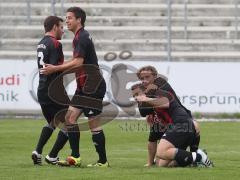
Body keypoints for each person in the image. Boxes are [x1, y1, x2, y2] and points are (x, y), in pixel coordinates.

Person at [40, 7, 109, 167]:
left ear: (79, 20)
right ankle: (75, 157)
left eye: (70, 18)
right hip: (83, 86)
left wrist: (55, 69)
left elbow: (78, 63)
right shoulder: (79, 37)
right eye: (66, 18)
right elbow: (77, 64)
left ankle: (103, 162)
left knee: (93, 124)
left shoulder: (81, 38)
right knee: (69, 119)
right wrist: (60, 69)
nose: (67, 21)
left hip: (92, 85)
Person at [133, 66, 213, 167]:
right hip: (175, 123)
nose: (144, 81)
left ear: (155, 76)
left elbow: (166, 103)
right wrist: (147, 107)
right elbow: (144, 111)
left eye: (147, 77)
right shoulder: (149, 91)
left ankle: (198, 157)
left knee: (161, 152)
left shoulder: (160, 87)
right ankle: (192, 160)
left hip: (180, 122)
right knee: (161, 164)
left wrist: (146, 99)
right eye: (142, 79)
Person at [32, 16, 69, 165]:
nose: (63, 30)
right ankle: (52, 156)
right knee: (70, 122)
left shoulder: (41, 43)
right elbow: (53, 67)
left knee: (54, 122)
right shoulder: (55, 43)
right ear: (54, 27)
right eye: (61, 27)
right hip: (54, 90)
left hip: (42, 89)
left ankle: (37, 151)